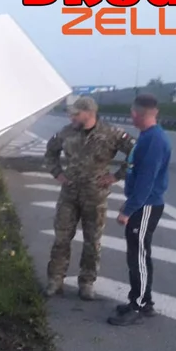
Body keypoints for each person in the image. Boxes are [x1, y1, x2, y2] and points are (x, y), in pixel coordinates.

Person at [43, 96, 136, 300]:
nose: (72, 117)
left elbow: (135, 153)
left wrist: (116, 176)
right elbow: (50, 153)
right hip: (69, 194)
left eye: (76, 114)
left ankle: (87, 282)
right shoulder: (66, 133)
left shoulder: (111, 134)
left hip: (95, 196)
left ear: (89, 113)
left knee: (92, 241)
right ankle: (55, 280)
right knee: (61, 239)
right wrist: (58, 173)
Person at [107, 94, 171, 326]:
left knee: (139, 257)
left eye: (131, 113)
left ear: (137, 113)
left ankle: (142, 306)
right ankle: (138, 299)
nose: (130, 116)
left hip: (145, 206)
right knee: (135, 255)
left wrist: (129, 209)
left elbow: (147, 179)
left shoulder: (154, 140)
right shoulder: (147, 136)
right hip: (141, 204)